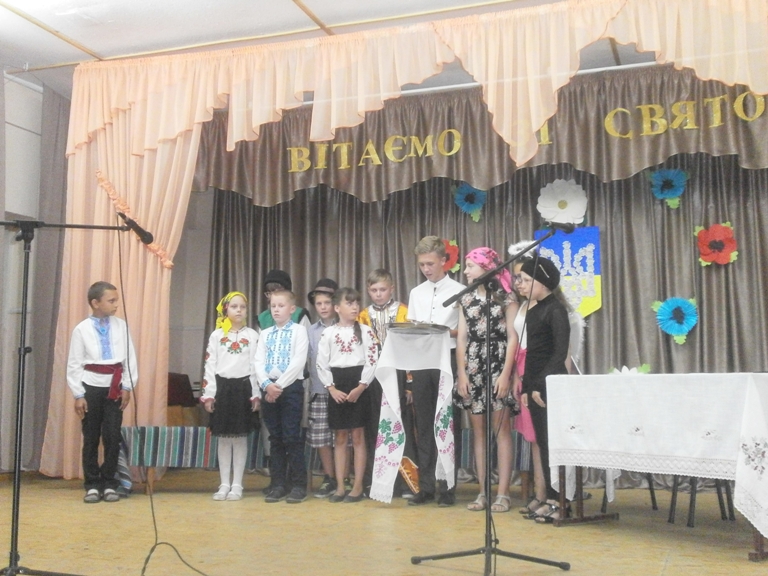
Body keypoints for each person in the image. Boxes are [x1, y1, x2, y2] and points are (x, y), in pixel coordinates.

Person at [456, 248, 518, 513]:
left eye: (470, 266)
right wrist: (462, 373)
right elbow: (462, 338)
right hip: (474, 365)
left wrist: (506, 374)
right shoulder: (465, 297)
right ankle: (483, 491)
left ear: (486, 267)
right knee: (478, 432)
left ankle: (503, 493)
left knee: (501, 430)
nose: (466, 271)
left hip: (498, 363)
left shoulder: (506, 296)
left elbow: (513, 337)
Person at [67, 281, 137, 504]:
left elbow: (129, 359)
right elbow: (74, 364)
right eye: (111, 301)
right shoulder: (82, 329)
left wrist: (127, 386)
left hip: (115, 387)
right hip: (91, 387)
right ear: (95, 303)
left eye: (116, 300)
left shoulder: (121, 326)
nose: (116, 305)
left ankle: (109, 482)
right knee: (91, 437)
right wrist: (78, 394)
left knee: (112, 436)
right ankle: (92, 484)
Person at [406, 236, 464, 507]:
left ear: (443, 261)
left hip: (448, 358)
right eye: (422, 265)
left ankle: (448, 486)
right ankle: (426, 486)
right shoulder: (416, 293)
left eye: (430, 263)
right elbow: (412, 328)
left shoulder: (460, 290)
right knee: (424, 423)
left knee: (448, 423)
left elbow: (465, 332)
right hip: (422, 360)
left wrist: (444, 331)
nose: (426, 269)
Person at [517, 256, 571, 523]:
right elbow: (533, 355)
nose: (521, 284)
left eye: (527, 280)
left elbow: (559, 353)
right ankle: (549, 497)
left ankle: (561, 501)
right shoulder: (534, 311)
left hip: (551, 386)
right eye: (520, 279)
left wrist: (539, 385)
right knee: (543, 443)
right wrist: (526, 387)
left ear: (544, 283)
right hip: (536, 386)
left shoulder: (556, 310)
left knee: (554, 444)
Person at [317, 288, 380, 503]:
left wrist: (361, 386)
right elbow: (321, 363)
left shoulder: (366, 331)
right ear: (337, 308)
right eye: (349, 303)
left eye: (356, 303)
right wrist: (331, 388)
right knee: (340, 437)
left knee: (358, 436)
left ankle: (358, 485)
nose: (354, 307)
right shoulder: (328, 333)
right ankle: (340, 486)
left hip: (359, 383)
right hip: (337, 384)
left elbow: (372, 360)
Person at [357, 269, 414, 498]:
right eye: (374, 290)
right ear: (368, 291)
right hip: (373, 376)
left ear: (392, 289)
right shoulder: (363, 315)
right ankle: (378, 481)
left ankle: (407, 482)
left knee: (402, 427)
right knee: (375, 427)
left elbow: (411, 347)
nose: (378, 294)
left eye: (382, 289)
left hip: (398, 373)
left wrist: (409, 383)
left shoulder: (404, 311)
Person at [200, 292, 260, 501]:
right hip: (222, 390)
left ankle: (237, 484)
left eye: (242, 307)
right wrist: (209, 395)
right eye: (234, 306)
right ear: (226, 309)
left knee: (240, 438)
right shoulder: (217, 335)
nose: (239, 310)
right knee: (224, 438)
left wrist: (255, 394)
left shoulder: (252, 335)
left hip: (244, 389)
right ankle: (224, 483)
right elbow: (210, 365)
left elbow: (255, 366)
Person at [255, 290, 310, 504]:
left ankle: (298, 484)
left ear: (292, 309)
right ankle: (278, 484)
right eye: (273, 306)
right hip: (269, 388)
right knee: (275, 438)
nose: (276, 309)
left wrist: (278, 386)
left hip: (290, 388)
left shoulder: (299, 331)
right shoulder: (265, 333)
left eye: (281, 305)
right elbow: (258, 362)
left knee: (291, 436)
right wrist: (267, 385)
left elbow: (298, 361)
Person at [306, 278, 340, 498]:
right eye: (319, 304)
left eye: (327, 302)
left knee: (343, 438)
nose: (323, 307)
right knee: (321, 438)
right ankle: (330, 477)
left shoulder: (345, 326)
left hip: (341, 391)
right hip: (318, 390)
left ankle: (344, 477)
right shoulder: (311, 331)